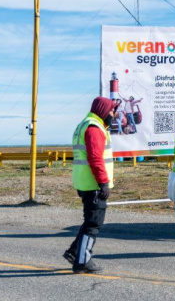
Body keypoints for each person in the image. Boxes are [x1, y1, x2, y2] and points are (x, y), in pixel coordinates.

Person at [63, 96, 116, 274]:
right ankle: (83, 261)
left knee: (89, 221)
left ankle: (74, 252)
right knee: (93, 223)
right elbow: (95, 158)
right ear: (103, 110)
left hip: (85, 182)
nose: (113, 114)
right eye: (111, 111)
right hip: (93, 184)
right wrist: (103, 183)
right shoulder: (94, 128)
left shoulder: (85, 124)